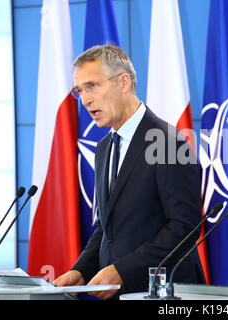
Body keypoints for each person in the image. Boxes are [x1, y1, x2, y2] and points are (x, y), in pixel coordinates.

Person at [53, 44, 204, 299]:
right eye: (79, 91)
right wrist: (80, 269)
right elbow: (107, 228)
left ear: (123, 82)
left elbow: (184, 228)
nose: (86, 99)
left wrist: (123, 270)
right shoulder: (104, 148)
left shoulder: (167, 142)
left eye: (93, 86)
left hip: (163, 294)